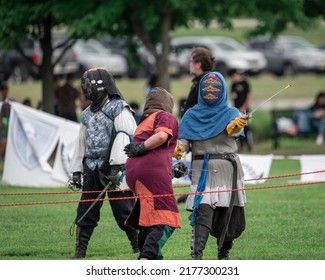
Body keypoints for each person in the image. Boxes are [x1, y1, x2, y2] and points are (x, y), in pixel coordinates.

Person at [69, 68, 139, 259]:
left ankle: (139, 245)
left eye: (89, 84)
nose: (86, 88)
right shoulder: (86, 114)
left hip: (115, 168)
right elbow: (81, 143)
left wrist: (117, 166)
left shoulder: (119, 108)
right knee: (86, 209)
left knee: (124, 209)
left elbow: (126, 136)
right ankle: (80, 251)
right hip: (91, 168)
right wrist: (76, 171)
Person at [179, 72, 249, 260]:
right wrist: (180, 148)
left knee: (229, 213)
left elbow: (235, 132)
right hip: (203, 170)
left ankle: (223, 254)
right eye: (207, 88)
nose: (211, 91)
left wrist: (237, 126)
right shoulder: (192, 114)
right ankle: (196, 257)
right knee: (202, 211)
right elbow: (183, 141)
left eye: (215, 88)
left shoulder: (232, 113)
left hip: (228, 169)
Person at [123, 87, 186, 260]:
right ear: (166, 104)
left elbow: (155, 153)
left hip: (135, 174)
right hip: (150, 173)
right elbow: (161, 137)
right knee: (166, 217)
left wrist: (171, 170)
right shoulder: (165, 116)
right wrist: (141, 147)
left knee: (150, 216)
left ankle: (149, 256)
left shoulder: (143, 122)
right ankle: (147, 258)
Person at [179, 47, 215, 118]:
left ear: (198, 64)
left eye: (191, 61)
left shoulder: (207, 82)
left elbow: (206, 109)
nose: (190, 64)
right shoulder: (200, 80)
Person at [228, 68, 253, 151]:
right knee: (238, 127)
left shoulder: (245, 83)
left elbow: (248, 97)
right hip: (237, 110)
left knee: (246, 127)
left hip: (245, 110)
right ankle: (241, 145)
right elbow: (232, 96)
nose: (234, 79)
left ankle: (249, 145)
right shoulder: (233, 85)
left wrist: (243, 107)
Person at [0, 81, 12, 158]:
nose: (5, 91)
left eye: (6, 89)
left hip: (9, 125)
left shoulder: (11, 102)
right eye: (3, 89)